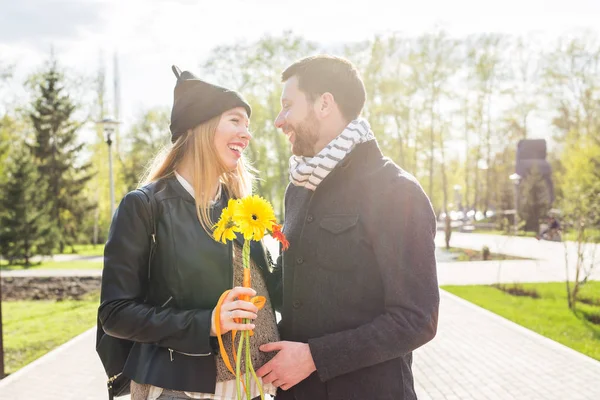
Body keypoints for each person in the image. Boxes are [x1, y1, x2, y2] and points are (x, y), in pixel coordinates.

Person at [256, 55, 440, 400]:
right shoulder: (298, 188)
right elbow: (296, 289)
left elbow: (417, 319)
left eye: (287, 106)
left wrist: (314, 357)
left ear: (324, 103)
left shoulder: (396, 190)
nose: (279, 121)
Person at [98, 66, 279, 400]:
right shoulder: (144, 206)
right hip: (177, 390)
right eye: (235, 120)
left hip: (251, 389)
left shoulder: (240, 207)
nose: (246, 134)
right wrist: (206, 322)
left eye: (247, 125)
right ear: (200, 126)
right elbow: (115, 314)